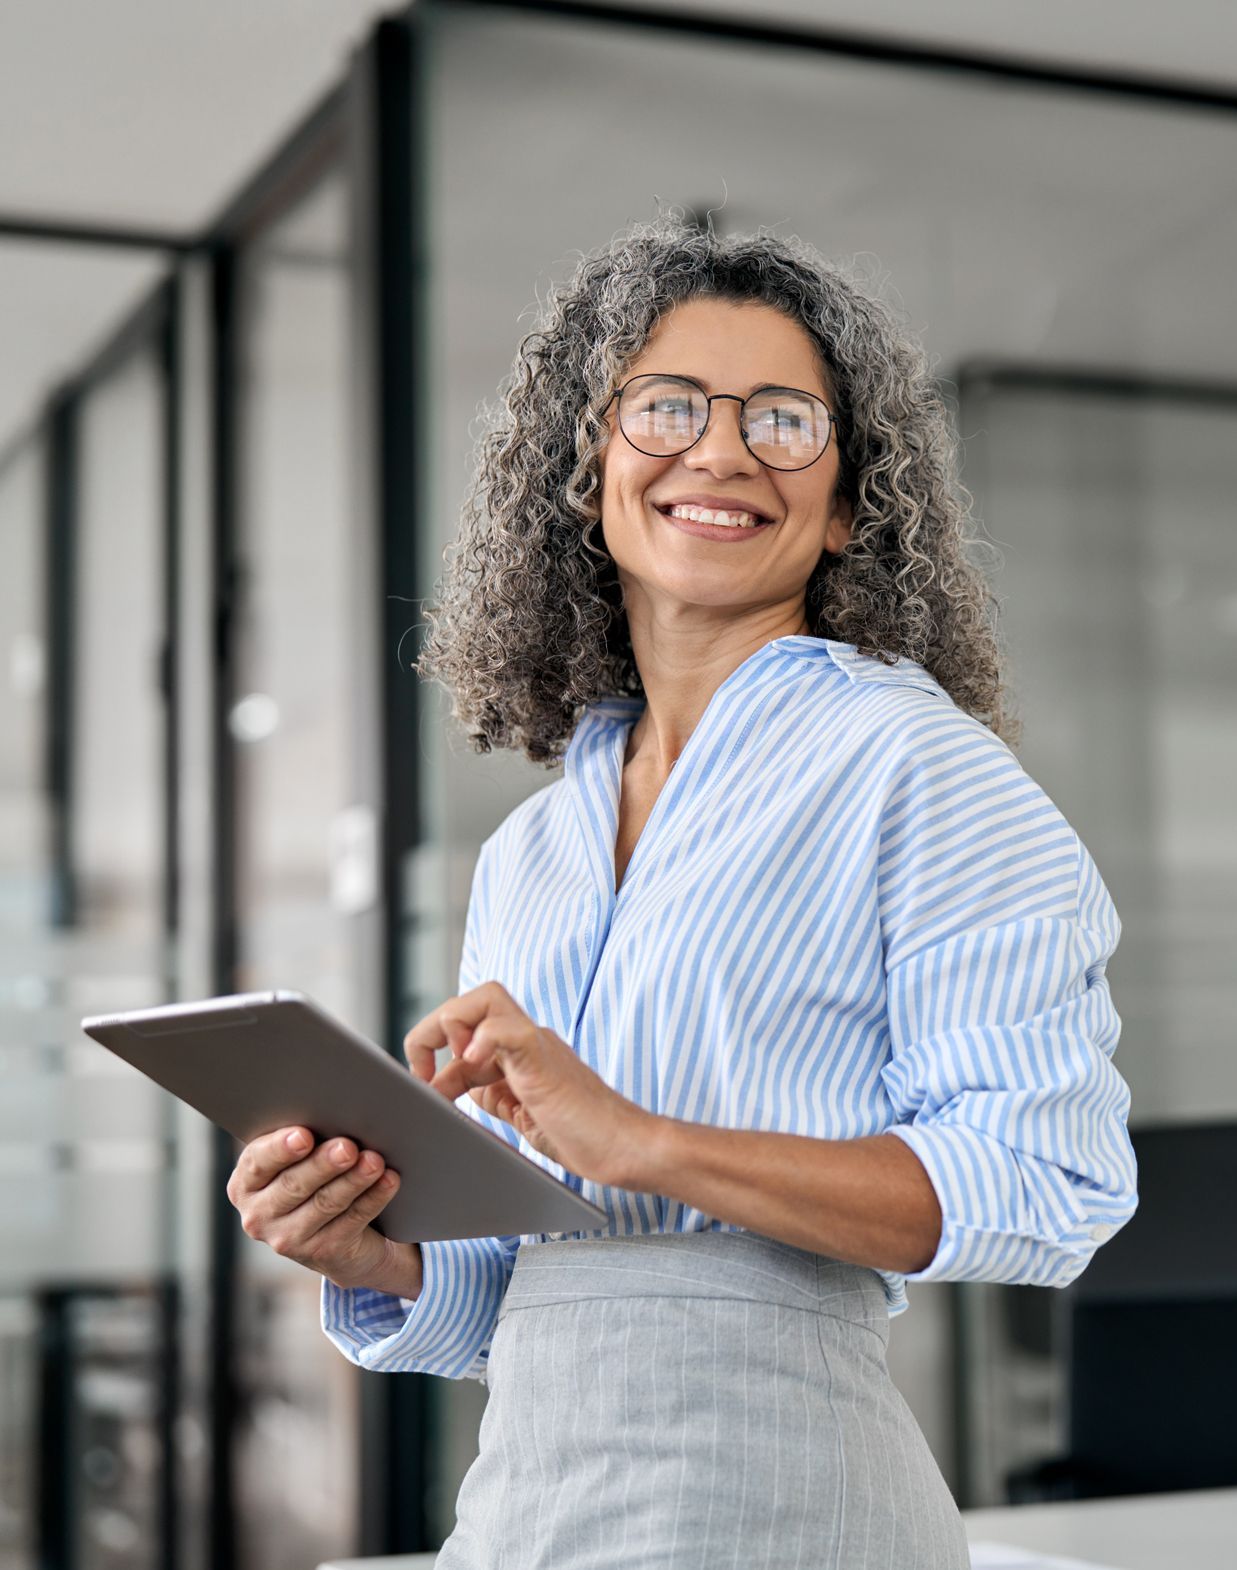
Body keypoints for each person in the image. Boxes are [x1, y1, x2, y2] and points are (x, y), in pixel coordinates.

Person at [225, 213, 1139, 1568]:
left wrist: (644, 1138)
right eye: (667, 406)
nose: (720, 450)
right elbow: (533, 1291)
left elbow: (1049, 1179)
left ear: (846, 506)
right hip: (529, 1515)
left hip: (786, 1507)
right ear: (587, 464)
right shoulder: (534, 848)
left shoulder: (915, 766)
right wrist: (373, 1250)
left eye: (782, 420)